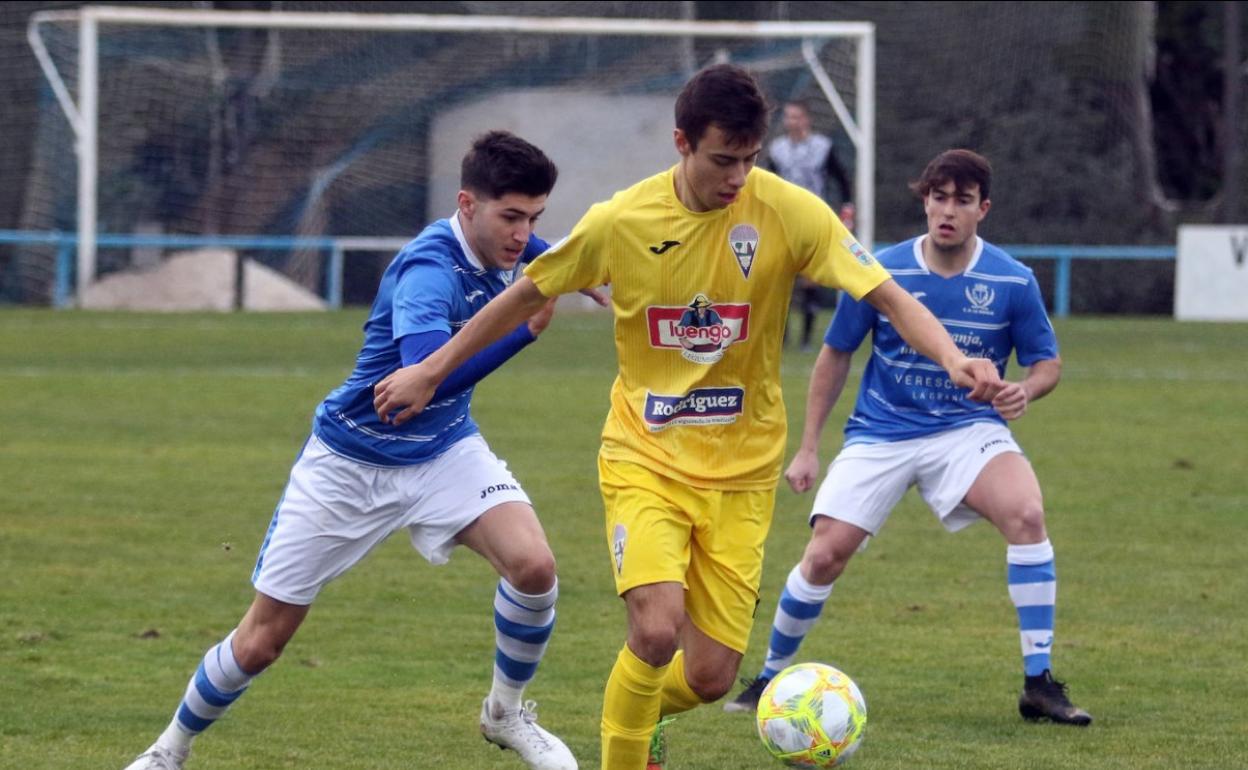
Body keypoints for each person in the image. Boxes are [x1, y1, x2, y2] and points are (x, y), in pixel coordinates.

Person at [371, 66, 1004, 770]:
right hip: (646, 458)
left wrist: (952, 357)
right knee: (654, 630)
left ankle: (641, 714)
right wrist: (431, 368)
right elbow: (523, 296)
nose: (738, 177)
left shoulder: (790, 213)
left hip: (742, 474)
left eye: (750, 159)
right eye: (722, 160)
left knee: (710, 677)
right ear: (681, 143)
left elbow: (886, 294)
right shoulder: (622, 221)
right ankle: (626, 752)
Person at [122, 131, 582, 770]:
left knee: (534, 567)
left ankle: (505, 713)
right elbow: (423, 379)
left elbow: (528, 251)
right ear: (466, 205)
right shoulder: (427, 273)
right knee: (262, 641)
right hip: (349, 463)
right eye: (512, 217)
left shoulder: (501, 238)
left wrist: (565, 262)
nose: (522, 233)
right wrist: (524, 330)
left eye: (533, 218)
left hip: (443, 451)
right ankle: (168, 750)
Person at [724, 149, 1093, 727]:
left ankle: (1039, 684)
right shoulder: (879, 269)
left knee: (1027, 514)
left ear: (983, 209)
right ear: (924, 201)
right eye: (938, 197)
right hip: (881, 432)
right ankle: (769, 676)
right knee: (824, 555)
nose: (947, 210)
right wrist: (809, 447)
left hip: (966, 430)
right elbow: (836, 354)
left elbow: (1047, 362)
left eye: (962, 201)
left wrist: (1026, 388)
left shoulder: (1012, 280)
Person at [768, 100, 855, 352]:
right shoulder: (777, 148)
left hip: (812, 219)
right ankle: (781, 338)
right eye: (787, 117)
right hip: (783, 221)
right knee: (779, 277)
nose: (791, 122)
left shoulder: (822, 147)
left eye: (796, 117)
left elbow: (841, 179)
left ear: (806, 119)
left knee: (809, 280)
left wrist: (847, 208)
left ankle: (806, 339)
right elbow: (768, 181)